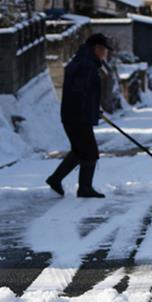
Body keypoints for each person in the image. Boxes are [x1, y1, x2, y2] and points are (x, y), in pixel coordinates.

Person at [46, 33, 112, 198]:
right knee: (90, 152)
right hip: (77, 116)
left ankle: (55, 179)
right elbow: (80, 92)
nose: (105, 54)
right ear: (96, 49)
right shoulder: (86, 65)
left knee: (80, 151)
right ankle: (84, 188)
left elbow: (84, 93)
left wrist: (93, 109)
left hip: (73, 115)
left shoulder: (84, 61)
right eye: (104, 50)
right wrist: (87, 110)